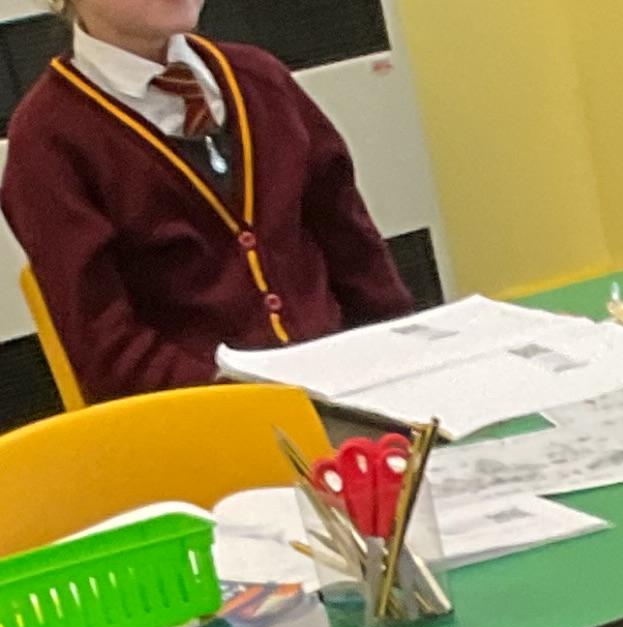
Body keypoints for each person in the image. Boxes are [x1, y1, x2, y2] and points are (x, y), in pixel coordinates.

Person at [0, 0, 412, 400]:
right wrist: (252, 400)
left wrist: (402, 361)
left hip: (347, 383)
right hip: (201, 412)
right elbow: (109, 352)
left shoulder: (260, 78)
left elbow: (357, 253)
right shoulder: (48, 140)